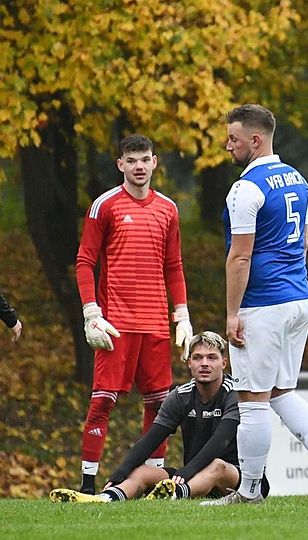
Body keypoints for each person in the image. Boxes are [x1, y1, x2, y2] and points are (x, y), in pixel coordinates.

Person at [209, 104, 308, 505]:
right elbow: (302, 243)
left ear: (255, 139)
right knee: (283, 390)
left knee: (252, 399)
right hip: (299, 297)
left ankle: (249, 492)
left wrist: (233, 313)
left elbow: (240, 256)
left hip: (264, 302)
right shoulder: (299, 180)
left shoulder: (246, 188)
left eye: (233, 138)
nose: (227, 145)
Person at [74, 134, 193, 494]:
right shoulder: (105, 205)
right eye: (132, 160)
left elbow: (173, 265)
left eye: (145, 159)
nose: (139, 166)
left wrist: (182, 314)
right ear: (120, 165)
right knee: (103, 401)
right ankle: (88, 482)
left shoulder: (168, 209)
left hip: (156, 323)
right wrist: (90, 312)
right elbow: (85, 261)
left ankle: (155, 483)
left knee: (160, 406)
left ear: (155, 162)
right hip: (116, 323)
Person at [49, 332, 268, 503]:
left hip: (236, 478)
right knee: (142, 471)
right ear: (189, 363)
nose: (204, 364)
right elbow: (150, 440)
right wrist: (119, 474)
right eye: (198, 358)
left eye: (212, 358)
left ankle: (173, 495)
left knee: (218, 466)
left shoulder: (236, 394)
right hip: (192, 477)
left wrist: (186, 473)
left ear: (224, 363)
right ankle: (105, 498)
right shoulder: (180, 396)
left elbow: (220, 441)